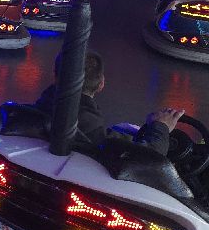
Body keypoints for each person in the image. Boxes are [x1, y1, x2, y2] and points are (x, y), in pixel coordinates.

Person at [33, 51, 183, 155]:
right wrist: (160, 127)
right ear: (101, 84)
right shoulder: (87, 127)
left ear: (55, 76)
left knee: (124, 127)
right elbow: (148, 158)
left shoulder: (39, 109)